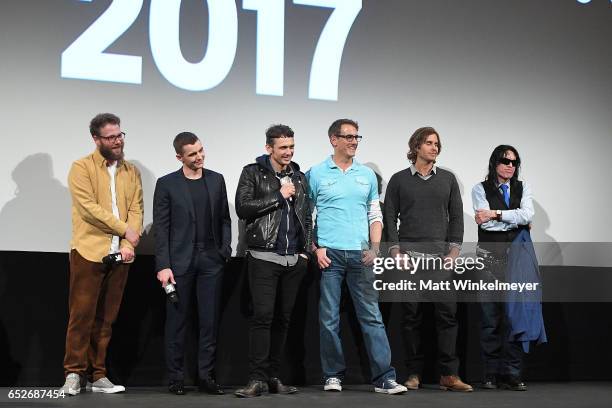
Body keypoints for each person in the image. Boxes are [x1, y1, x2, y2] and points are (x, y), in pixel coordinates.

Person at [307, 119, 407, 395]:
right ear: (333, 139)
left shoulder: (366, 176)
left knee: (372, 317)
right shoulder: (315, 173)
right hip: (331, 255)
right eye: (348, 136)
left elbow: (375, 215)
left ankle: (385, 378)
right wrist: (316, 248)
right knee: (329, 319)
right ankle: (332, 375)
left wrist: (375, 248)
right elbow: (306, 216)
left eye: (356, 137)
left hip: (361, 256)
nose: (353, 141)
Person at [383, 126, 472, 392]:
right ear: (416, 147)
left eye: (437, 143)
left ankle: (449, 375)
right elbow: (389, 217)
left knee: (448, 317)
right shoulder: (399, 180)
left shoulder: (447, 179)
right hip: (410, 260)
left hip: (439, 260)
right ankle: (413, 373)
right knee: (412, 318)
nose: (434, 147)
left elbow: (456, 217)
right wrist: (396, 252)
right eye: (429, 143)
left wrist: (454, 252)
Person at [61, 113, 143, 395]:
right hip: (88, 251)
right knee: (81, 316)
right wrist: (124, 229)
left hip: (120, 254)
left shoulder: (131, 171)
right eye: (111, 137)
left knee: (107, 319)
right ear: (96, 139)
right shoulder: (81, 168)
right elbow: (89, 209)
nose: (117, 141)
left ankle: (98, 375)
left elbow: (136, 209)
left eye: (120, 135)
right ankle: (73, 373)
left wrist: (129, 243)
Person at [234, 124, 312, 398]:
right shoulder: (253, 172)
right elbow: (242, 208)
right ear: (269, 148)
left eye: (291, 146)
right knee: (263, 318)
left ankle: (274, 376)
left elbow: (307, 216)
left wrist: (305, 252)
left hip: (294, 260)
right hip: (263, 256)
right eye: (283, 147)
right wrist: (278, 196)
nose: (288, 152)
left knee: (283, 320)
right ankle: (256, 379)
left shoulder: (300, 177)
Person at [153, 132, 231, 395]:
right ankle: (176, 378)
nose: (199, 157)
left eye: (200, 151)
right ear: (179, 157)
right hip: (179, 263)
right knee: (177, 322)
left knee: (209, 322)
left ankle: (206, 377)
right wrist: (163, 265)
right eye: (192, 154)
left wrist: (224, 251)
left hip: (211, 261)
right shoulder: (167, 184)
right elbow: (161, 229)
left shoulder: (216, 179)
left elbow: (224, 219)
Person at [472, 145, 538, 391]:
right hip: (489, 260)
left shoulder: (523, 188)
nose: (510, 165)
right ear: (494, 162)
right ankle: (490, 373)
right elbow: (485, 226)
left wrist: (496, 214)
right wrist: (516, 220)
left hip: (517, 261)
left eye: (514, 161)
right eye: (505, 160)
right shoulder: (480, 189)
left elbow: (528, 215)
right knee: (490, 320)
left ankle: (512, 373)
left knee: (515, 318)